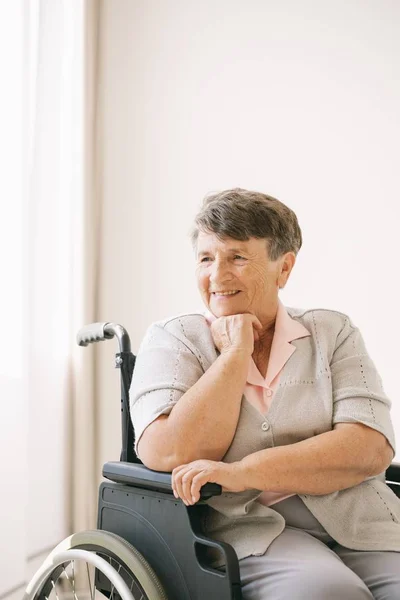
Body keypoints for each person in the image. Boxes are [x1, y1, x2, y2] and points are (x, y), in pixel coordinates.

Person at [129, 188, 400, 600]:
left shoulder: (333, 332)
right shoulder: (174, 340)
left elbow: (369, 447)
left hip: (361, 518)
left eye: (237, 257)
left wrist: (244, 472)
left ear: (284, 268)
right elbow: (167, 452)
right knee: (332, 592)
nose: (217, 276)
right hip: (246, 529)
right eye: (206, 258)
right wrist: (234, 354)